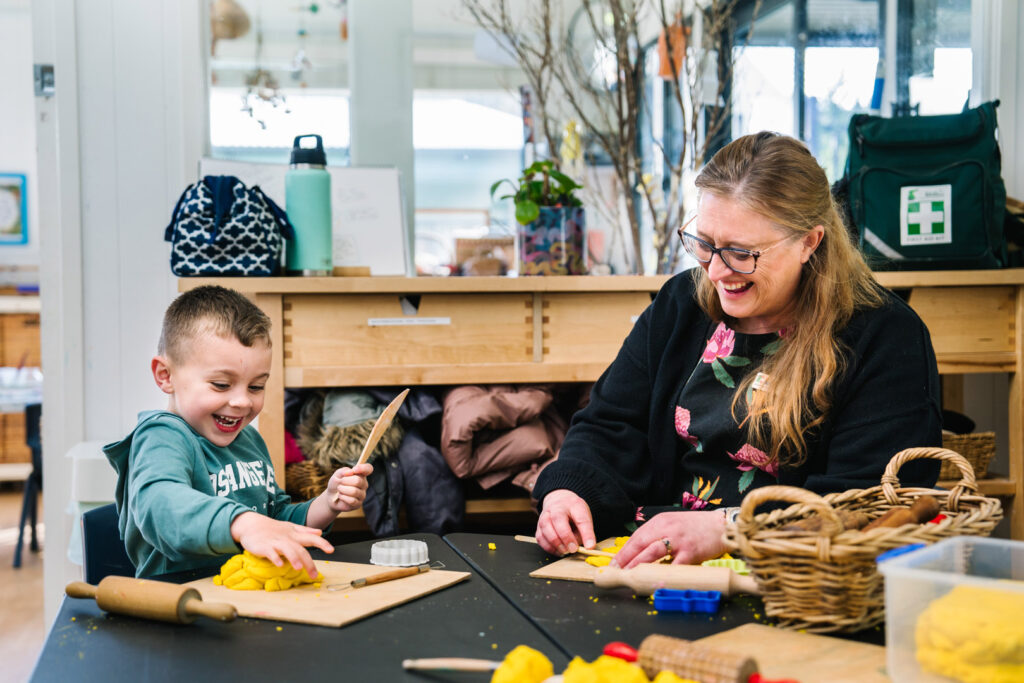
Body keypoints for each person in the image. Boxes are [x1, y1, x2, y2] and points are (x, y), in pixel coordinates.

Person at [532, 132, 942, 567]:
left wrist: (730, 528)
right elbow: (611, 423)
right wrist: (569, 491)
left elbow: (868, 501)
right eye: (705, 243)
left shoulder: (885, 336)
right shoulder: (681, 305)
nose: (717, 270)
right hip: (652, 559)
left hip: (793, 573)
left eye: (742, 252)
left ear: (810, 242)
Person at [105, 285, 372, 578]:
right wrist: (243, 523)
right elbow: (161, 506)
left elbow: (275, 519)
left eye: (256, 386)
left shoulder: (248, 440)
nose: (243, 401)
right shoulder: (161, 437)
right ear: (165, 376)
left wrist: (328, 503)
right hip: (180, 603)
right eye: (221, 384)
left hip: (250, 599)